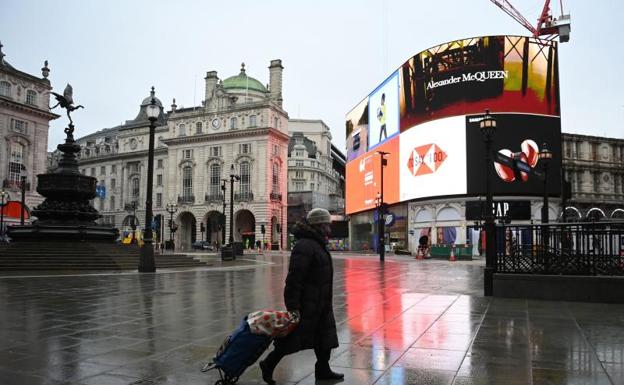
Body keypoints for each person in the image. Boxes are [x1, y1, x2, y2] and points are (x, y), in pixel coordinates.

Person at [259, 208, 343, 384]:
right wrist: (293, 307)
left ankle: (323, 369)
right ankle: (268, 363)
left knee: (324, 338)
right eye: (326, 224)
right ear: (319, 225)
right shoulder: (305, 246)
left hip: (321, 302)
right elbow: (294, 279)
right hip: (307, 304)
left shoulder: (318, 243)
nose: (329, 228)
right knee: (292, 340)